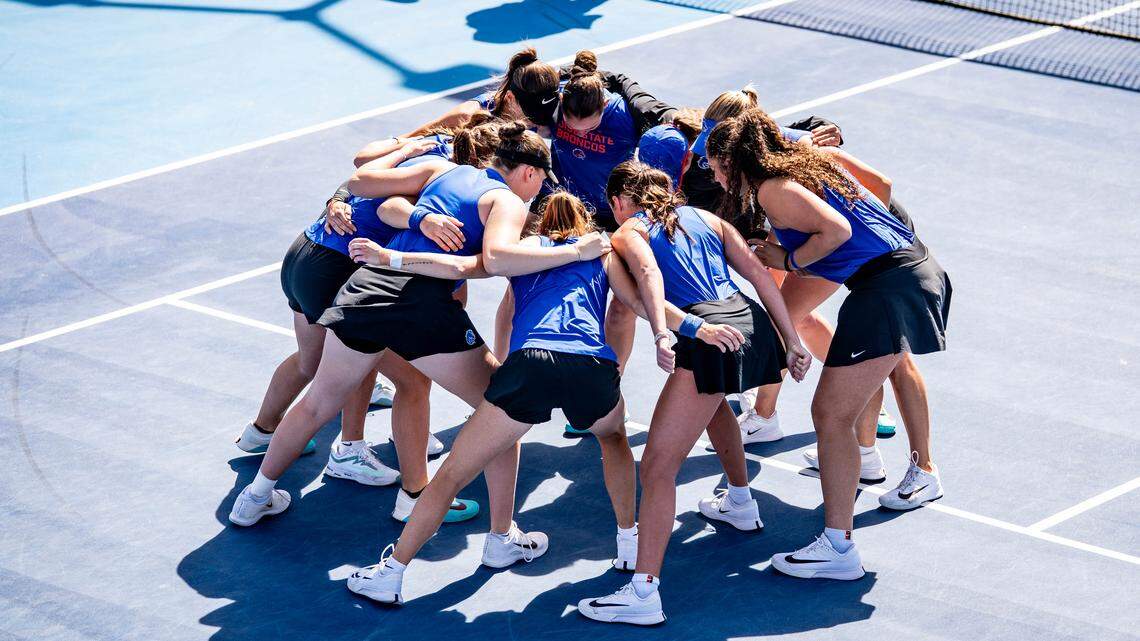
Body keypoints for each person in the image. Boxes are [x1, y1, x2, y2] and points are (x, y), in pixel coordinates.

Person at [343, 191, 749, 604]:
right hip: (591, 368)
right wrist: (698, 328)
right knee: (613, 440)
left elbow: (457, 265)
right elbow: (643, 303)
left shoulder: (520, 252)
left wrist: (387, 257)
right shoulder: (602, 253)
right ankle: (628, 541)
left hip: (530, 367)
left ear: (539, 224)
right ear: (584, 223)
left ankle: (390, 573)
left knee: (450, 475)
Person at [225, 125, 610, 557]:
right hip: (419, 303)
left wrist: (419, 219)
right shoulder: (505, 201)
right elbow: (499, 258)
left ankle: (255, 497)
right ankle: (502, 538)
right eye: (542, 179)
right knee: (503, 411)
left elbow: (379, 198)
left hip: (367, 288)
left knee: (319, 401)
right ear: (526, 172)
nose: (540, 191)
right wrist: (577, 253)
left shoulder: (444, 171)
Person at [705, 109, 950, 579]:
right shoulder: (798, 170)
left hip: (889, 288)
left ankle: (838, 548)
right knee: (836, 409)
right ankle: (871, 475)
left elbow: (834, 233)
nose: (714, 177)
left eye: (717, 167)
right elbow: (855, 218)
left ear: (735, 163)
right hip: (906, 274)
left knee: (830, 414)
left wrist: (789, 258)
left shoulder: (772, 189)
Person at [577, 162, 810, 625]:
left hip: (710, 332)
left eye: (613, 206)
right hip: (752, 323)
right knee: (712, 398)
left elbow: (646, 278)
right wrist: (792, 340)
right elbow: (762, 276)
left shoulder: (628, 231)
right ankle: (740, 502)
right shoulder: (709, 218)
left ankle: (643, 593)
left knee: (659, 466)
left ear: (622, 202)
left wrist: (667, 333)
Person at [233, 136, 455, 491]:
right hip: (332, 268)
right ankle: (349, 451)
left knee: (312, 361)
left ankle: (261, 431)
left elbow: (359, 175)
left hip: (304, 254)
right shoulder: (448, 179)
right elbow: (386, 206)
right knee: (375, 363)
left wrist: (337, 198)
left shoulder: (427, 154)